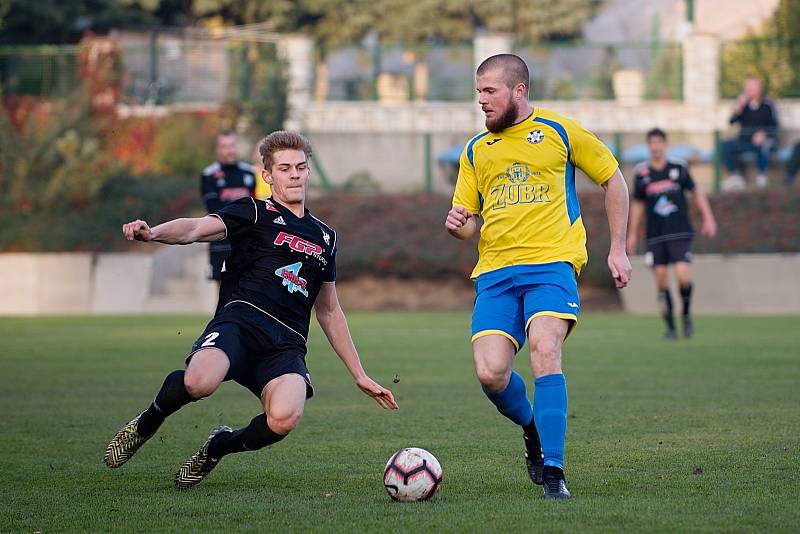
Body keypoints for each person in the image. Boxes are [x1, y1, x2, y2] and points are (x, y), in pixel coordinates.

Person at [105, 131, 397, 489]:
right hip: (239, 323)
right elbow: (196, 228)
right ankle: (147, 423)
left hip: (285, 344)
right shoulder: (253, 211)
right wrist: (153, 233)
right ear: (268, 175)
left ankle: (217, 446)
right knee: (200, 381)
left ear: (308, 173)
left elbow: (330, 311)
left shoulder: (326, 237)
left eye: (301, 167)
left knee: (284, 418)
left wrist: (359, 374)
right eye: (285, 168)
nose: (294, 174)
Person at [445, 54, 631, 500]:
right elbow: (469, 221)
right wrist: (459, 224)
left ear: (519, 91)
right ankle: (531, 427)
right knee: (491, 373)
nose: (482, 101)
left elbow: (615, 181)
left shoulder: (561, 131)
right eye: (478, 93)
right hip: (494, 274)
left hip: (552, 264)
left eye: (489, 91)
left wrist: (619, 249)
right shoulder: (475, 150)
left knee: (546, 351)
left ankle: (554, 472)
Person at [627, 128, 717, 340]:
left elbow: (696, 192)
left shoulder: (679, 167)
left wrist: (708, 217)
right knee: (661, 281)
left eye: (659, 142)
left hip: (680, 231)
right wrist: (631, 234)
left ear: (665, 145)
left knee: (683, 276)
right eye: (652, 143)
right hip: (655, 235)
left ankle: (685, 315)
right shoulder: (641, 173)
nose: (656, 147)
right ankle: (670, 328)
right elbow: (638, 205)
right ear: (648, 146)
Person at [201, 129, 257, 283]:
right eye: (224, 146)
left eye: (232, 145)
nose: (229, 150)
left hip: (246, 240)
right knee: (222, 289)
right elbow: (213, 209)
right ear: (218, 149)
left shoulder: (249, 173)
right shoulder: (209, 175)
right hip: (221, 239)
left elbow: (254, 208)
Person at [721, 77, 779, 190]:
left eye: (753, 87)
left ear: (759, 89)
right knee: (723, 145)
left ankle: (762, 176)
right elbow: (731, 122)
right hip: (744, 141)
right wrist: (738, 108)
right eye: (748, 88)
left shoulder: (768, 105)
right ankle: (735, 176)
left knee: (765, 145)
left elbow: (775, 126)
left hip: (761, 142)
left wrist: (764, 134)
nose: (750, 90)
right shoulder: (743, 105)